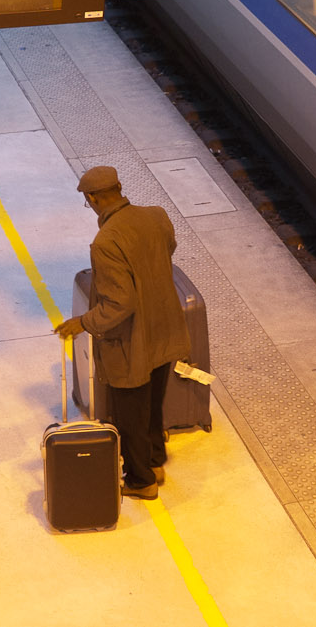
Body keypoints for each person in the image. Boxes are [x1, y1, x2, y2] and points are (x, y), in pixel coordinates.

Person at [54, 165, 190, 500]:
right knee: (153, 404)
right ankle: (156, 461)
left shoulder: (106, 241)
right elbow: (166, 250)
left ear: (95, 198)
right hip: (164, 329)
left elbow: (119, 304)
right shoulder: (156, 216)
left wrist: (82, 322)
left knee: (130, 413)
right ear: (119, 186)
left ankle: (141, 480)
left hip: (132, 343)